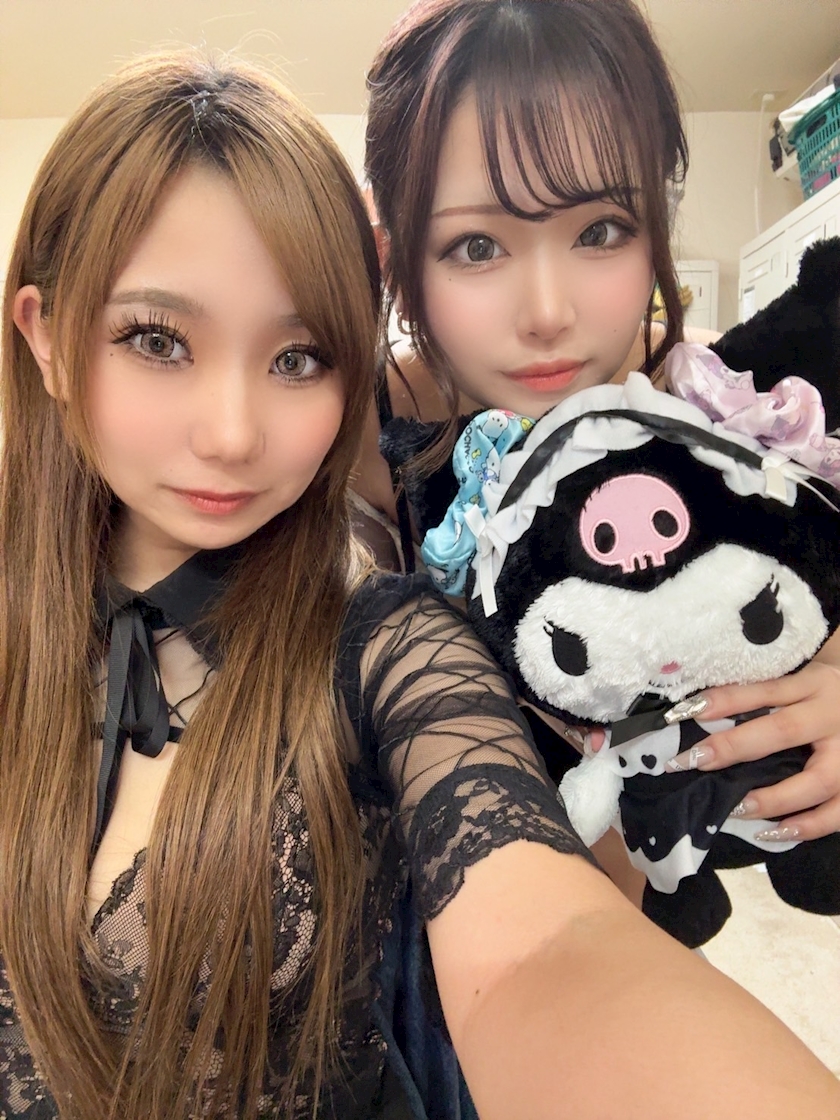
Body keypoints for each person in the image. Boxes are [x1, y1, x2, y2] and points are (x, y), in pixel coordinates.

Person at [2, 47, 838, 1120]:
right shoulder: (394, 433)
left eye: (298, 357)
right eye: (157, 339)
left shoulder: (395, 634)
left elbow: (549, 949)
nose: (232, 434)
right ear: (45, 335)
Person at [355, 0, 840, 887]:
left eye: (600, 231)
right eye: (475, 246)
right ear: (398, 259)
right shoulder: (362, 428)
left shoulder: (709, 403)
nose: (549, 313)